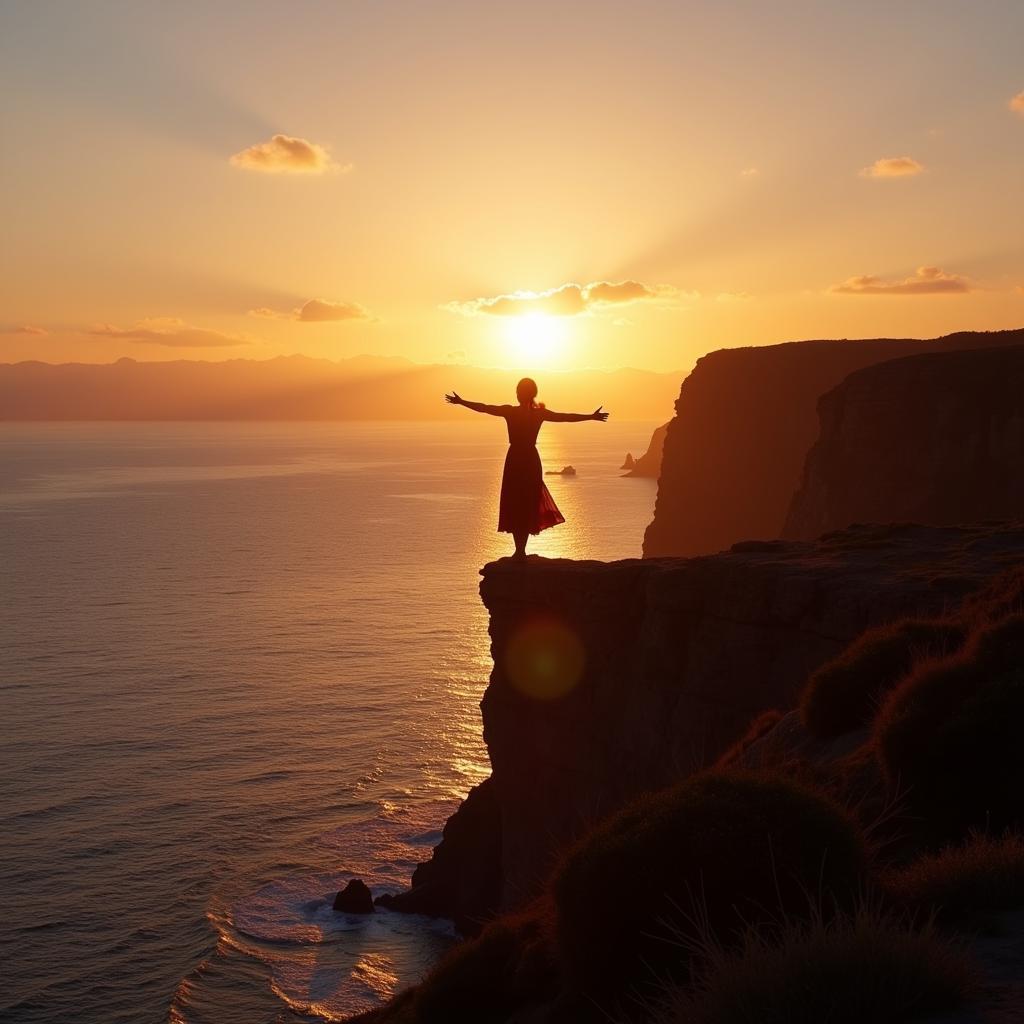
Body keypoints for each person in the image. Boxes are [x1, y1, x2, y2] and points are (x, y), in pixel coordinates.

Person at [445, 378, 609, 560]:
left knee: (517, 501)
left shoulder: (513, 412)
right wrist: (590, 417)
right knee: (525, 501)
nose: (517, 394)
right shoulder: (536, 414)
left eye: (518, 391)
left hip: (517, 459)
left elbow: (485, 407)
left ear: (520, 394)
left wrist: (461, 402)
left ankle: (520, 551)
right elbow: (565, 417)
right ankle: (520, 551)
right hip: (528, 459)